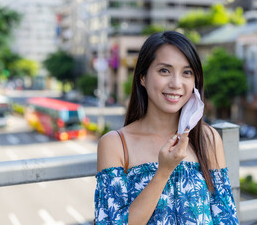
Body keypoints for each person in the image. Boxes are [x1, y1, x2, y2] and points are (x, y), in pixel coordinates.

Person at [94, 31, 239, 224]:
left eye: (186, 73)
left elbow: (226, 219)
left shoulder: (207, 139)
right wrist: (163, 171)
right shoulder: (115, 144)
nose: (176, 84)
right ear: (142, 77)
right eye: (164, 70)